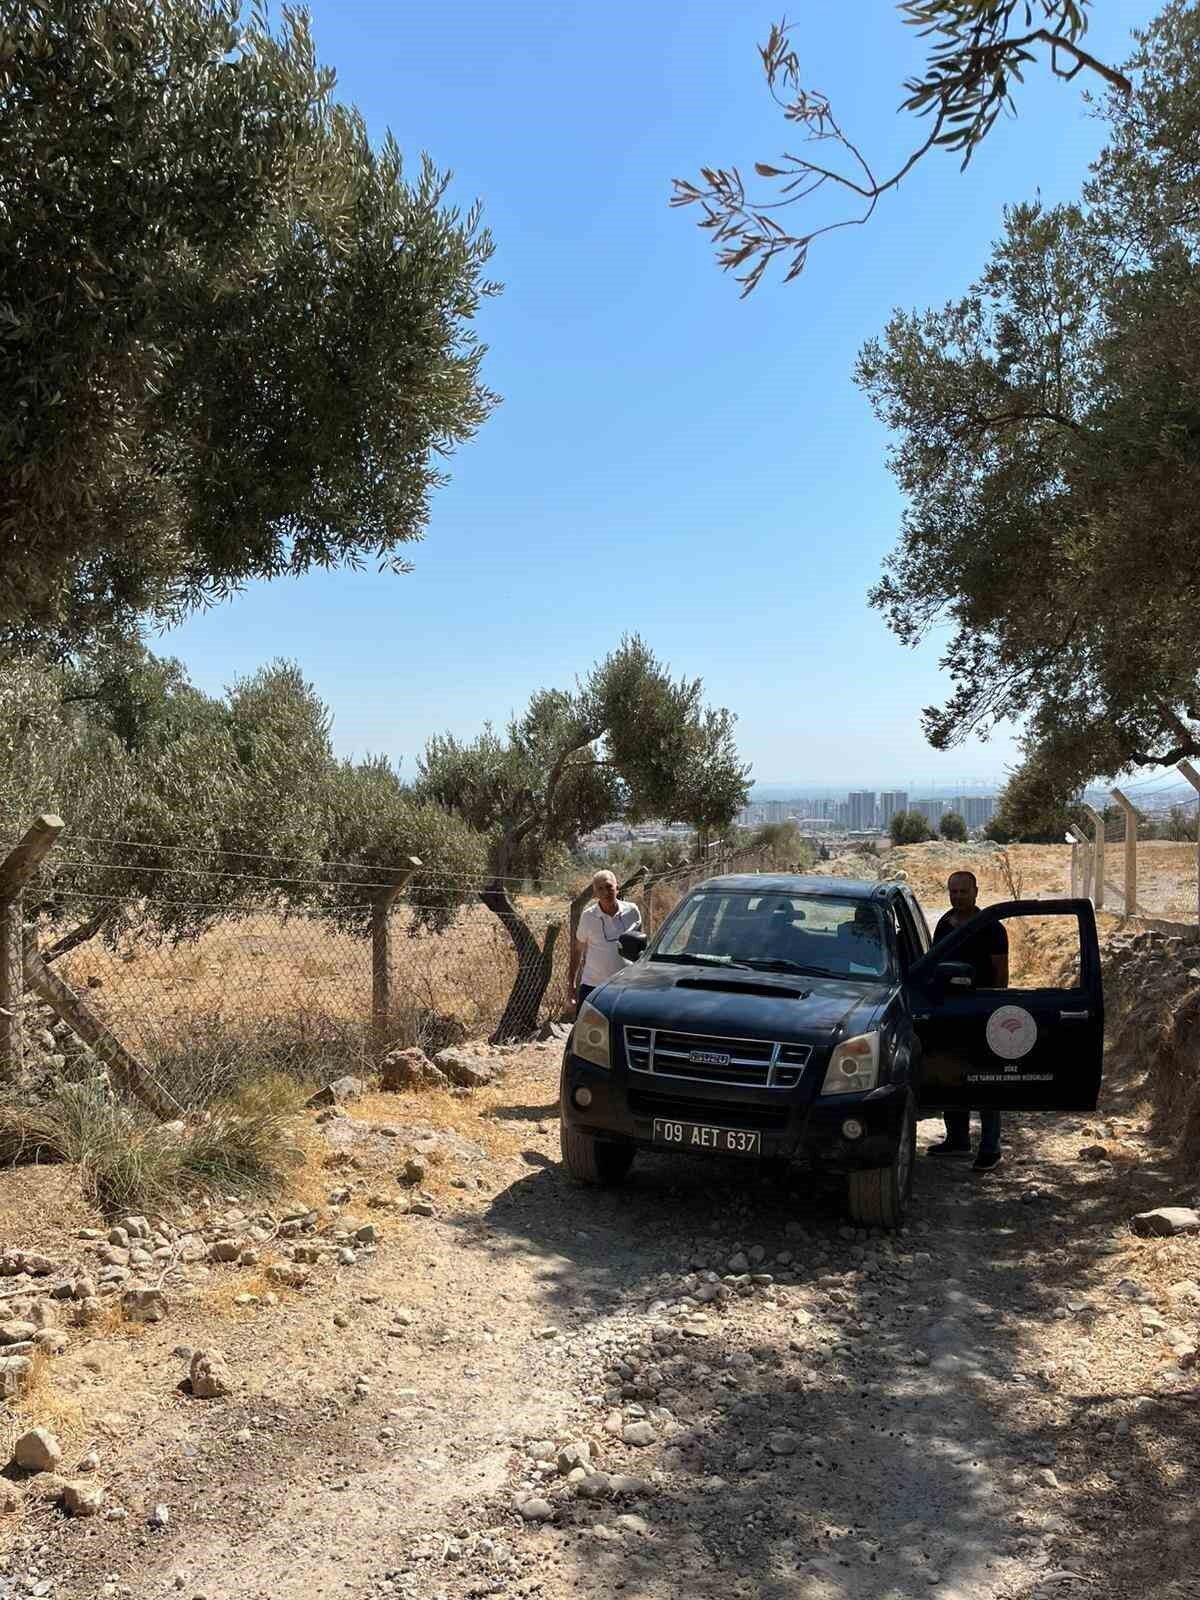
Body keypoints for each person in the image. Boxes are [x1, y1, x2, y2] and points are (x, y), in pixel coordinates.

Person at [927, 868, 1009, 1171]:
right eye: (953, 891)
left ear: (976, 892)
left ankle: (991, 1147)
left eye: (963, 891)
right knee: (952, 1073)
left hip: (983, 1009)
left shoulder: (991, 928)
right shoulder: (945, 925)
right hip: (950, 1009)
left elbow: (1001, 972)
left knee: (986, 1079)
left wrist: (995, 1007)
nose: (958, 896)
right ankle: (958, 1140)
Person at [570, 870, 643, 1010]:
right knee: (587, 1029)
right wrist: (571, 984)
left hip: (625, 986)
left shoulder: (632, 911)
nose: (605, 892)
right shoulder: (588, 917)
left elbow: (639, 946)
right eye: (600, 889)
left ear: (617, 887)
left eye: (609, 886)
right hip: (593, 986)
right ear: (595, 893)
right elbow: (578, 950)